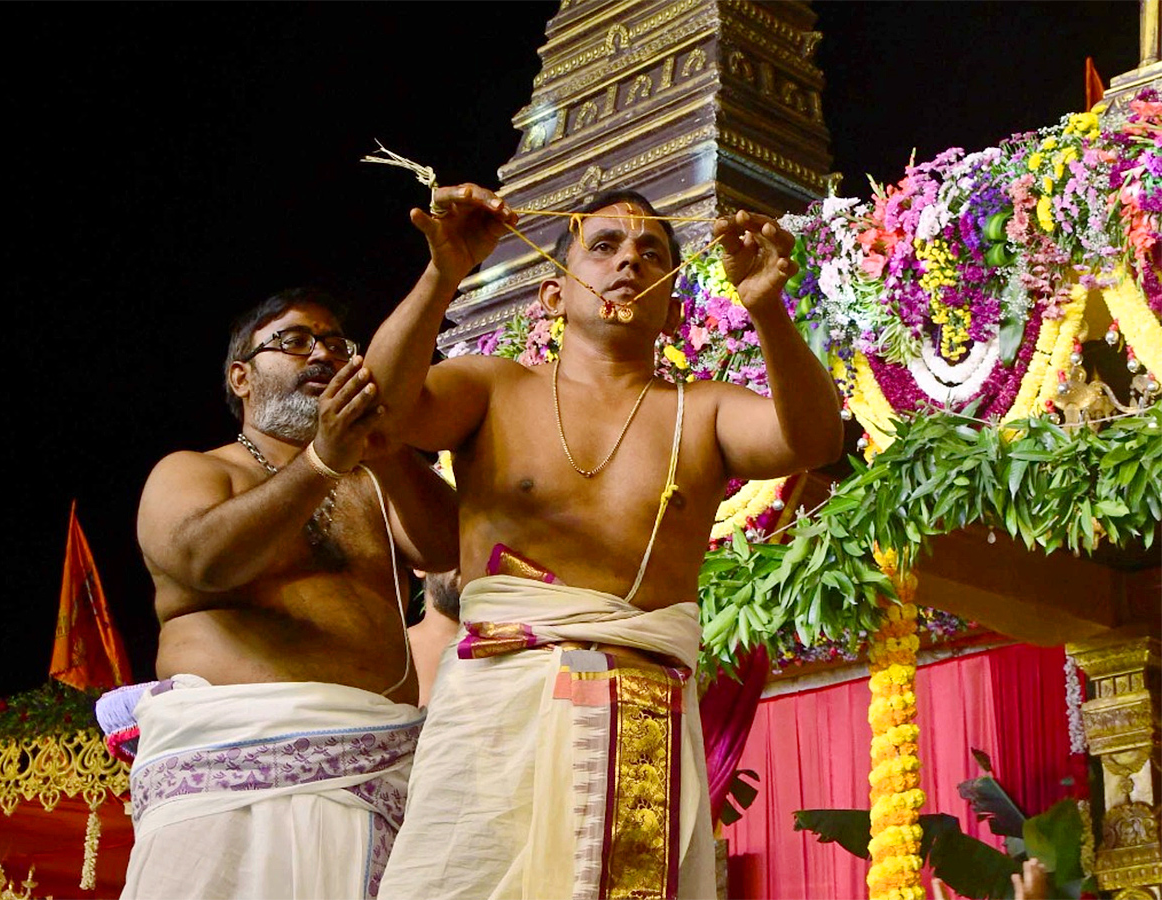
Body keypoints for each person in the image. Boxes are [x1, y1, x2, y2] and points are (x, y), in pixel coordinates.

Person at [364, 185, 843, 899]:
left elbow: (812, 439)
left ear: (674, 306)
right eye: (605, 246)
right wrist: (445, 273)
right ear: (555, 295)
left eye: (652, 251)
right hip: (496, 711)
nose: (630, 261)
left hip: (639, 708)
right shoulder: (494, 389)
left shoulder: (700, 412)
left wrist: (767, 306)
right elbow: (385, 404)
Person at [100, 288, 460, 900]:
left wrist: (388, 449)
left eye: (335, 343)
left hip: (374, 768)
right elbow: (203, 561)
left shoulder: (375, 483)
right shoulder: (193, 470)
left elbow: (449, 548)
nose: (322, 354)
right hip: (227, 773)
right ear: (241, 377)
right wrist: (321, 460)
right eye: (294, 341)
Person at [407, 569, 463, 706]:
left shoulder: (518, 648)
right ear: (419, 567)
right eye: (454, 548)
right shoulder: (389, 655)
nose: (464, 559)